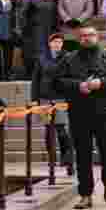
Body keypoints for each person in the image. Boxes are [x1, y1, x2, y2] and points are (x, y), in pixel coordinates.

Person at [54, 25, 106, 209]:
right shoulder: (69, 58)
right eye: (83, 36)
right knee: (82, 155)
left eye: (91, 35)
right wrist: (77, 86)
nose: (87, 38)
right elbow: (57, 82)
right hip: (79, 114)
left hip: (105, 113)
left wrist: (101, 83)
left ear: (97, 37)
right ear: (79, 39)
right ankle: (85, 194)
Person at [31, 33, 75, 176]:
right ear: (50, 43)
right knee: (48, 129)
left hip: (60, 97)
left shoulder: (68, 57)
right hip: (45, 97)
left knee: (62, 130)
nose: (57, 44)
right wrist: (34, 98)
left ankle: (66, 157)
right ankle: (51, 158)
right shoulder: (42, 58)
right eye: (55, 42)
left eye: (60, 42)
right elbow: (36, 79)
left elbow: (71, 77)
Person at [21, 0, 60, 80]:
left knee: (47, 52)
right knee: (35, 53)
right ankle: (32, 75)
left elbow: (55, 15)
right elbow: (23, 14)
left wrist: (56, 30)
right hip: (35, 30)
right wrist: (24, 29)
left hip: (49, 30)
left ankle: (45, 74)